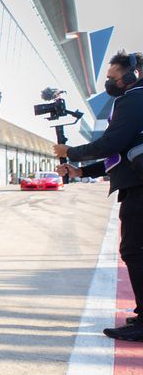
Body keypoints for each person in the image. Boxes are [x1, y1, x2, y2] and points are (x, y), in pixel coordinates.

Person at [56, 50, 143, 340]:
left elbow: (111, 143)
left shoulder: (132, 99)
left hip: (139, 189)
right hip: (136, 183)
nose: (109, 84)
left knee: (135, 251)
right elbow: (118, 153)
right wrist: (82, 172)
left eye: (112, 78)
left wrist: (71, 152)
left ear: (132, 75)